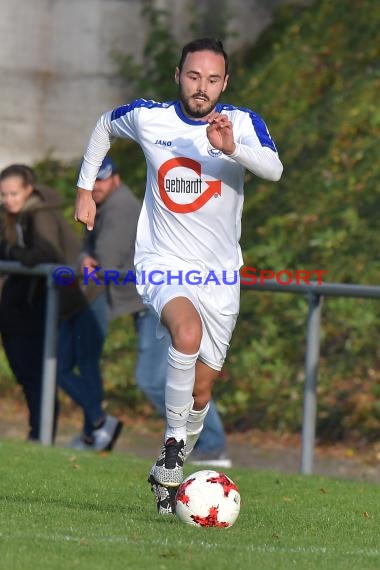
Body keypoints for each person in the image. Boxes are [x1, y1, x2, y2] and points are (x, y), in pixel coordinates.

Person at [74, 37, 283, 514]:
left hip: (220, 277)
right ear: (178, 75)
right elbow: (105, 124)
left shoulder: (242, 124)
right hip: (162, 261)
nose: (201, 87)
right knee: (184, 335)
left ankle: (168, 477)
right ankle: (172, 447)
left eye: (212, 79)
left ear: (225, 82)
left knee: (203, 391)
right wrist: (84, 188)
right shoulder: (152, 118)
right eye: (193, 76)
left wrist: (233, 150)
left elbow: (273, 169)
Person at [60, 156, 231, 462]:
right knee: (172, 376)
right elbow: (88, 251)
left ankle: (209, 443)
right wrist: (85, 258)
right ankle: (204, 442)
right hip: (145, 303)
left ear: (116, 178)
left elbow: (105, 263)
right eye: (92, 180)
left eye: (102, 179)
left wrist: (86, 261)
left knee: (155, 378)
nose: (96, 187)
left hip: (156, 301)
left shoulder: (122, 208)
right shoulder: (105, 206)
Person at [0, 164, 88, 442]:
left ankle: (55, 431)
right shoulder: (10, 218)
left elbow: (46, 253)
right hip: (19, 307)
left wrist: (13, 253)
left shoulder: (41, 215)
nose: (8, 200)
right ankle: (38, 432)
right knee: (27, 376)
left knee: (44, 375)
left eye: (14, 193)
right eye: (4, 195)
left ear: (28, 190)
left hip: (44, 306)